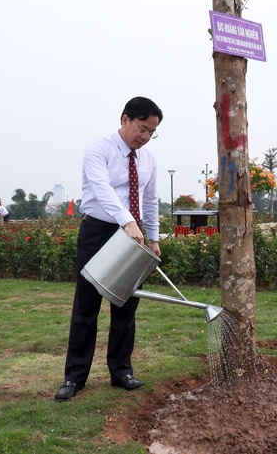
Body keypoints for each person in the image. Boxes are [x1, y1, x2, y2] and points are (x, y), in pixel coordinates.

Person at [55, 97, 163, 402]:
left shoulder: (149, 160)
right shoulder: (98, 150)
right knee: (86, 308)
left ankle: (121, 371)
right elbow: (102, 190)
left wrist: (152, 238)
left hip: (134, 237)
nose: (144, 137)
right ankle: (74, 377)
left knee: (126, 307)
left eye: (151, 133)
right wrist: (128, 221)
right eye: (142, 129)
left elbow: (150, 201)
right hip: (98, 233)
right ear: (125, 120)